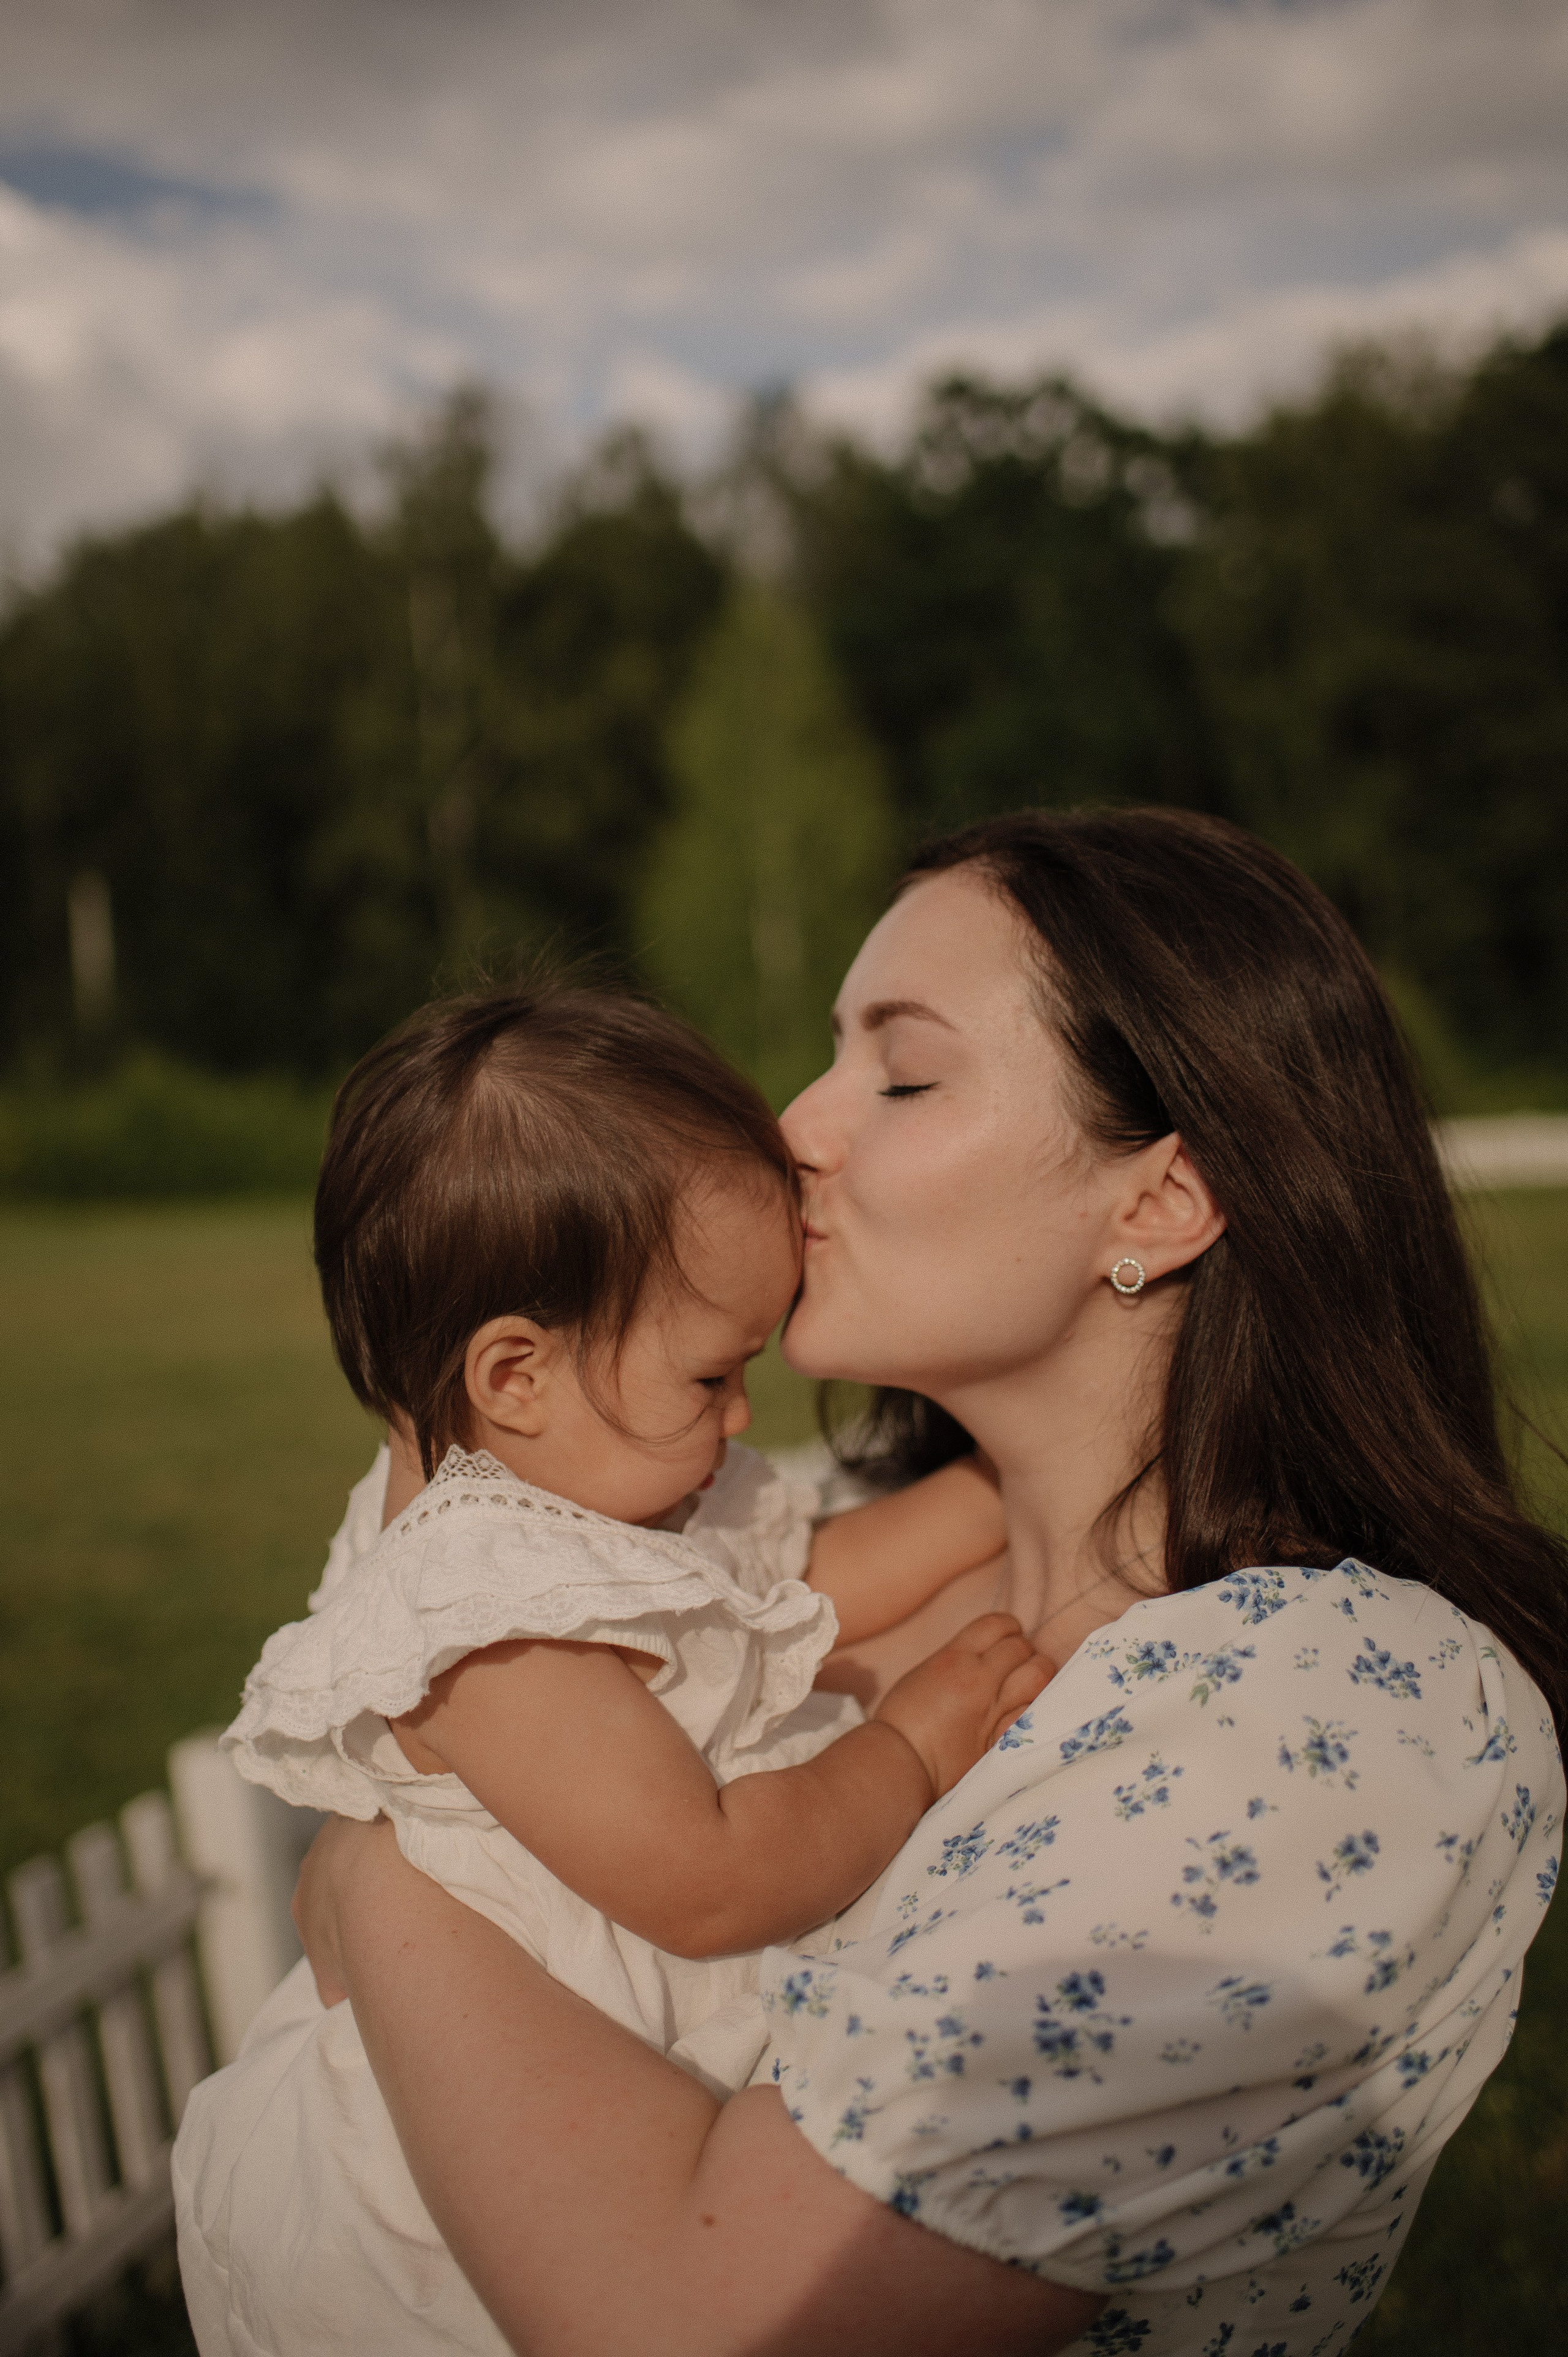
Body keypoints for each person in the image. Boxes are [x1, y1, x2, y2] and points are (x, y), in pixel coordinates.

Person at [289, 809, 1564, 2357]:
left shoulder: (1315, 1716)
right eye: (827, 1058)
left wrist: (378, 1874)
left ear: (1159, 1202)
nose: (796, 1127)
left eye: (899, 1074)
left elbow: (695, 2324)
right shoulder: (770, 1539)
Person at [173, 986, 1044, 2355]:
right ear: (515, 1372)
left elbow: (782, 1593)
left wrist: (1007, 1492)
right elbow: (712, 1877)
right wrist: (915, 1743)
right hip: (459, 2205)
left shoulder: (571, 1488)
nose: (742, 1414)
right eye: (710, 1377)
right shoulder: (490, 1621)